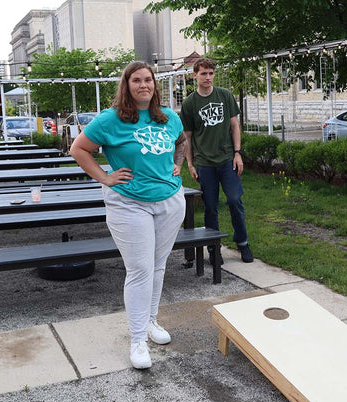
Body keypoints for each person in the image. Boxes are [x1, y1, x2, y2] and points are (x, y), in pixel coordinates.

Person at [69, 61, 187, 370]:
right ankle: (137, 340)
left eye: (148, 80)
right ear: (127, 85)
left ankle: (150, 322)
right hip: (129, 204)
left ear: (154, 85)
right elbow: (79, 149)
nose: (144, 85)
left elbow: (182, 142)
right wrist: (105, 177)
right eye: (137, 80)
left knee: (158, 266)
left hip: (170, 202)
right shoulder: (110, 120)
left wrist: (178, 164)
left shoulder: (168, 117)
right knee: (139, 270)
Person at [181, 57, 253, 264]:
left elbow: (234, 126)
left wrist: (238, 153)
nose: (208, 77)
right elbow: (188, 137)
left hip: (227, 160)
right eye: (203, 73)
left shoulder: (225, 96)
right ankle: (214, 249)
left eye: (211, 73)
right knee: (210, 207)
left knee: (234, 200)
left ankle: (243, 243)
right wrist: (191, 163)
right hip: (205, 163)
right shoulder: (189, 104)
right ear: (195, 75)